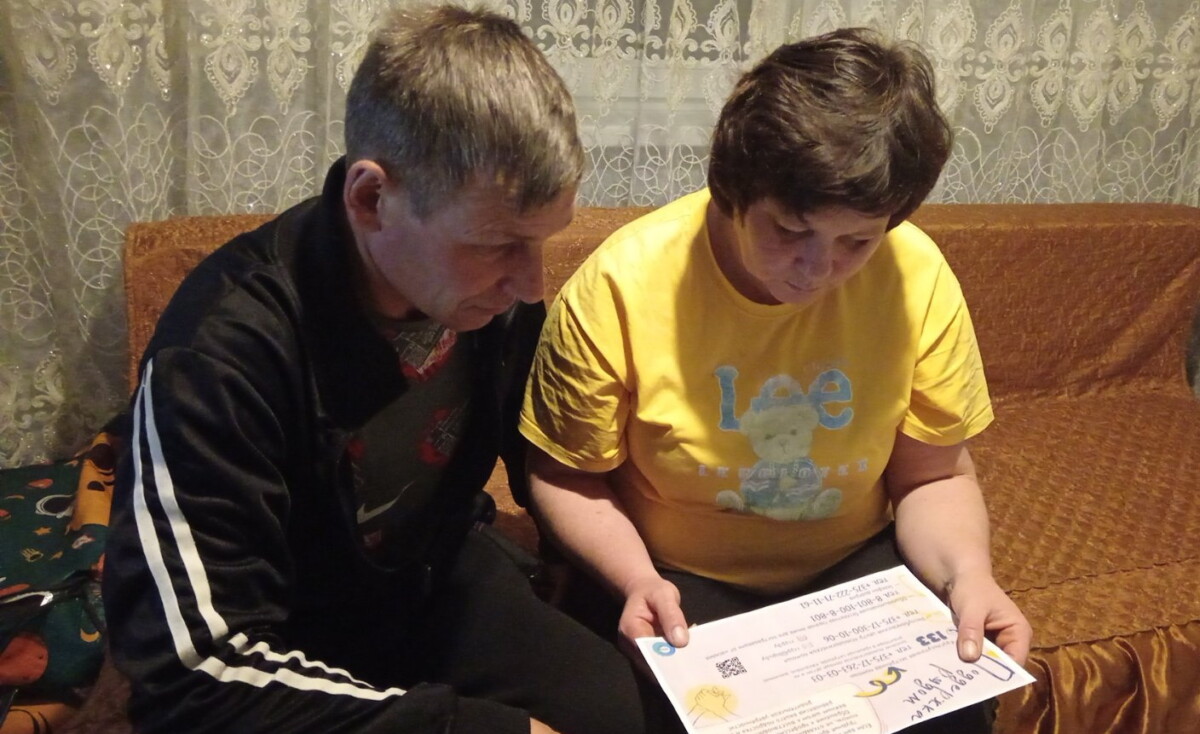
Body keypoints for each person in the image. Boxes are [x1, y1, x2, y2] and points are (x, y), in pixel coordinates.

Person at [102, 6, 664, 734]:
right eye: (497, 244)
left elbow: (534, 447)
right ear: (371, 198)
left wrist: (595, 565)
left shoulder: (488, 298)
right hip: (292, 631)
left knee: (626, 714)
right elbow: (189, 678)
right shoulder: (218, 355)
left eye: (542, 242)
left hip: (430, 580)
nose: (531, 284)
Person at [519, 27, 1033, 733]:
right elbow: (564, 474)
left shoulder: (916, 276)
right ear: (733, 189)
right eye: (790, 231)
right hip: (673, 574)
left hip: (850, 574)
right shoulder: (621, 283)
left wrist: (968, 576)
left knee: (955, 709)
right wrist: (636, 579)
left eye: (857, 241)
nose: (818, 270)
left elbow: (933, 476)